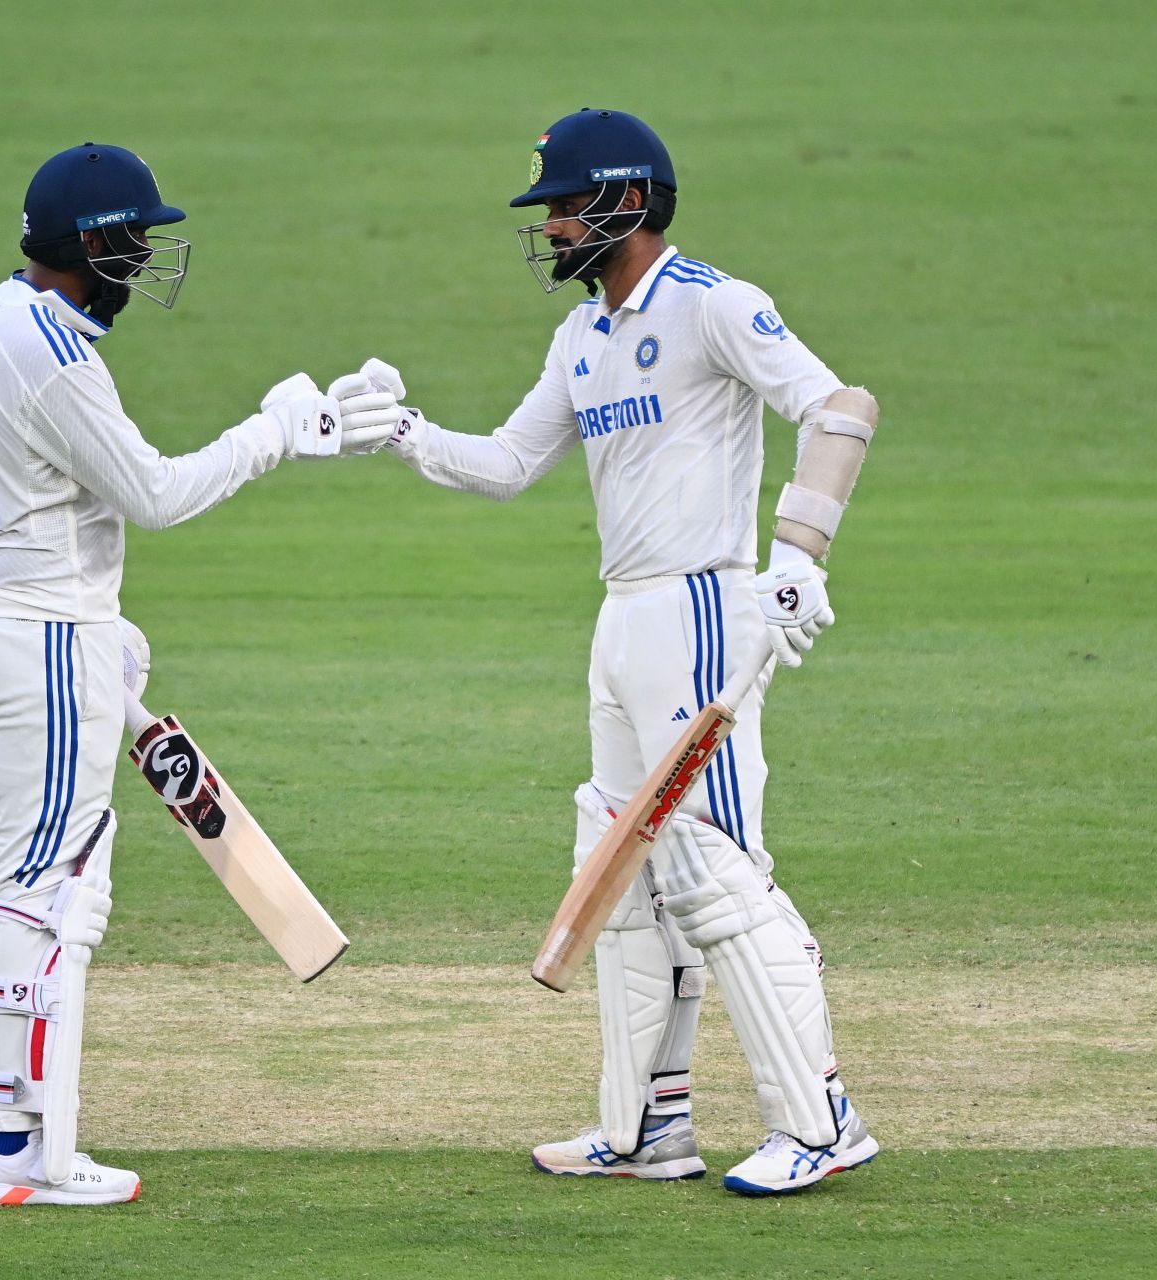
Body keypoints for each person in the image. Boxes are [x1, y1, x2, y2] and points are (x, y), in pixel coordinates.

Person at [330, 108, 881, 1195]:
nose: (549, 227)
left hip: (703, 607)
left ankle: (821, 1118)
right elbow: (503, 462)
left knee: (713, 870)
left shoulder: (714, 303)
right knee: (619, 867)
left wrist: (797, 558)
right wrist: (401, 430)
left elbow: (840, 408)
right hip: (623, 615)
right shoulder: (580, 337)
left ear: (626, 203)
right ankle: (646, 1127)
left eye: (565, 206)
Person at [0, 142, 393, 1206]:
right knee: (54, 897)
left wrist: (101, 619)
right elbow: (155, 492)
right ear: (91, 246)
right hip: (43, 647)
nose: (142, 257)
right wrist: (280, 432)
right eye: (131, 238)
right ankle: (23, 1151)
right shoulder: (56, 354)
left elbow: (58, 496)